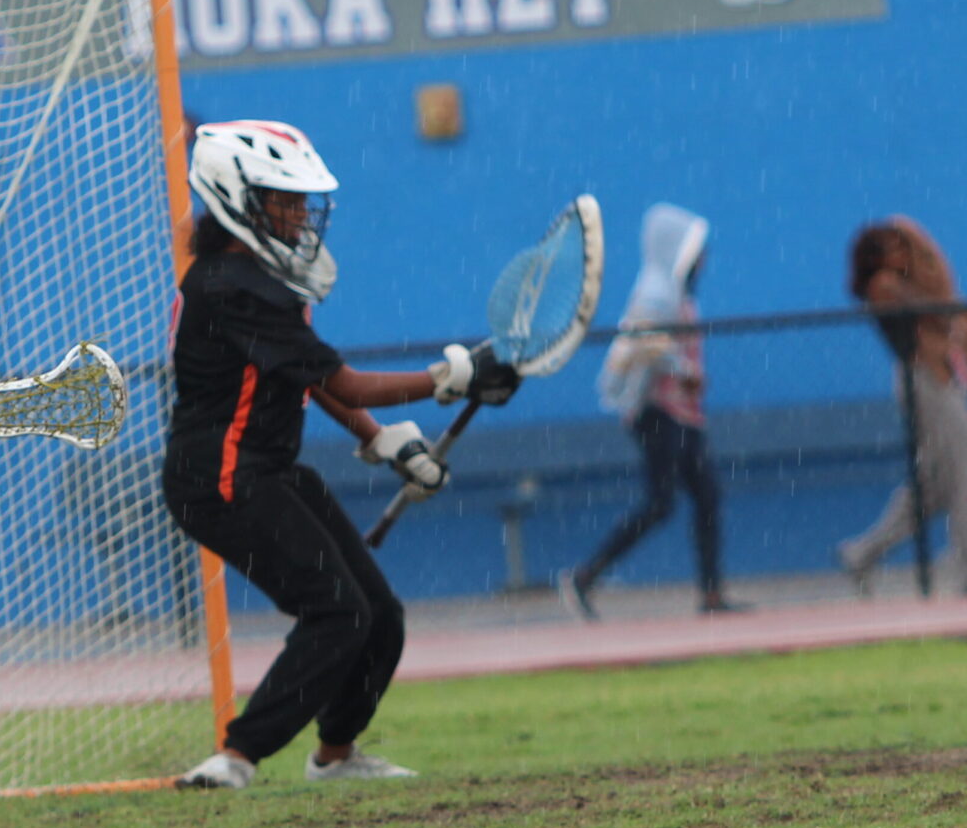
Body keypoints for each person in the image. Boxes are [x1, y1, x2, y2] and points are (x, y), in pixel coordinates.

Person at [164, 121, 518, 790]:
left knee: (378, 615)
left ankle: (336, 756)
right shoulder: (230, 284)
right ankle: (235, 758)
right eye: (284, 199)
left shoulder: (259, 279)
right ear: (235, 196)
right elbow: (345, 381)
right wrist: (454, 373)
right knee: (337, 610)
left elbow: (311, 379)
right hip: (219, 476)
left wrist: (379, 439)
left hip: (264, 467)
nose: (300, 214)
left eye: (302, 200)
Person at [560, 203, 737, 620]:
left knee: (706, 496)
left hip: (684, 415)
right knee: (660, 503)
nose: (704, 260)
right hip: (659, 412)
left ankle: (711, 594)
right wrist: (684, 371)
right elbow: (646, 341)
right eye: (698, 250)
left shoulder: (673, 289)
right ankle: (585, 576)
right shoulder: (658, 290)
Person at [837, 217, 967, 597]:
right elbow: (939, 312)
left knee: (934, 487)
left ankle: (862, 552)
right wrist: (919, 242)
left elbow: (948, 324)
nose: (903, 254)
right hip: (923, 382)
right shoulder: (885, 285)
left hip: (939, 379)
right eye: (894, 248)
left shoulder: (905, 283)